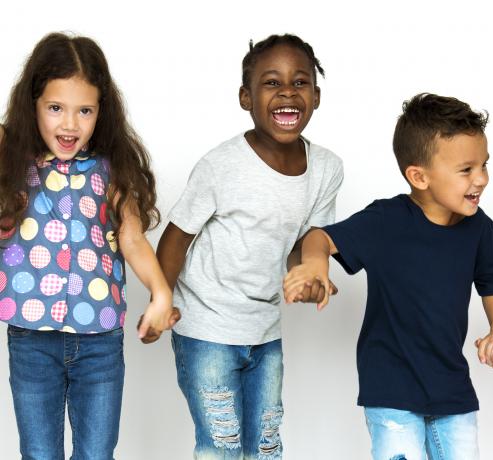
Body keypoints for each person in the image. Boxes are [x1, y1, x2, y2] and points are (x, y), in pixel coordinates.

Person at [283, 93, 493, 460]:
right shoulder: (386, 221)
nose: (481, 179)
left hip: (453, 390)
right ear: (419, 176)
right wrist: (314, 266)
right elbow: (319, 237)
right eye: (466, 170)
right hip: (391, 391)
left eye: (484, 165)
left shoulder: (481, 231)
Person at [155, 33, 343, 459]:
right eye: (272, 83)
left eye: (300, 82)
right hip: (206, 328)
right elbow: (176, 236)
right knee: (222, 444)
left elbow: (307, 241)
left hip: (264, 329)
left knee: (265, 444)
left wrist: (310, 274)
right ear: (246, 97)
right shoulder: (221, 166)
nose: (288, 93)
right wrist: (160, 300)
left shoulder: (327, 168)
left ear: (316, 95)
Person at [0, 32, 177, 458]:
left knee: (97, 454)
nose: (69, 124)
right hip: (31, 336)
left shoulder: (112, 169)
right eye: (55, 108)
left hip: (99, 340)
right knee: (39, 454)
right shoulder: (12, 163)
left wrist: (160, 291)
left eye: (85, 111)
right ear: (33, 106)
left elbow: (132, 239)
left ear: (102, 112)